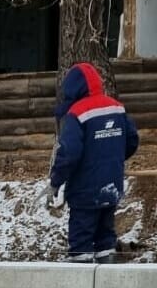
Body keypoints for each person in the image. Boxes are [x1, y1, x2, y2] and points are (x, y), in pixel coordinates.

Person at [48, 63, 139, 263]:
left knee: (81, 241)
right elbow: (132, 140)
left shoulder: (78, 113)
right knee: (105, 237)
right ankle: (106, 282)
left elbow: (69, 154)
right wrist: (111, 159)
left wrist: (55, 181)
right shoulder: (116, 107)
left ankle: (81, 286)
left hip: (85, 191)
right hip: (112, 186)